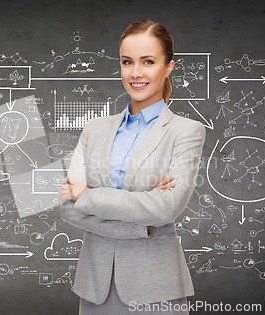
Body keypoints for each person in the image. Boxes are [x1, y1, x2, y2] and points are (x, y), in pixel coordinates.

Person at [58, 20, 206, 314]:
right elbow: (66, 207)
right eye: (127, 62)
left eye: (148, 62)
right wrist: (144, 221)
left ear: (168, 67)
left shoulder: (186, 132)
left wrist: (88, 196)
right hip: (94, 288)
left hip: (155, 288)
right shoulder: (94, 129)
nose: (136, 73)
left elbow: (166, 209)